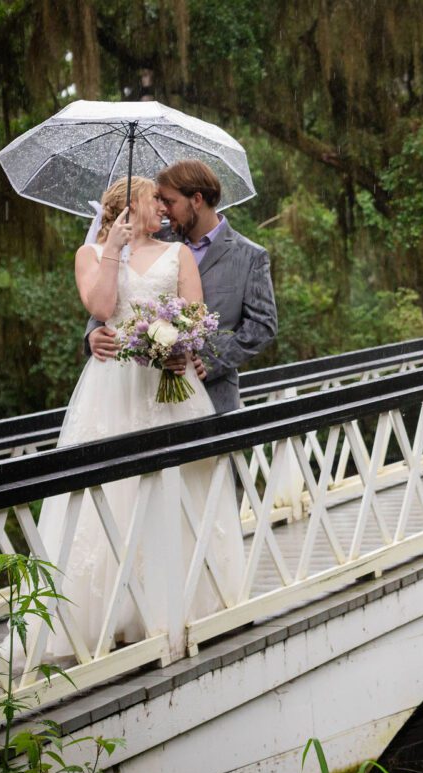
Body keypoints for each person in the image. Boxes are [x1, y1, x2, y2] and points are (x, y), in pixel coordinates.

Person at [32, 177, 244, 661]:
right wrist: (113, 249)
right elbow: (102, 308)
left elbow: (195, 315)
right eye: (155, 201)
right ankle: (107, 615)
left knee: (181, 485)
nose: (165, 210)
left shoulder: (180, 255)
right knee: (113, 494)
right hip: (114, 389)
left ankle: (182, 606)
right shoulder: (89, 255)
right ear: (129, 206)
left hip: (172, 388)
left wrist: (180, 345)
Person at [86, 160, 278, 413]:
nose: (163, 210)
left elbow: (263, 326)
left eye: (170, 201)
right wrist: (93, 332)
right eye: (159, 201)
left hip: (212, 392)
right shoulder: (151, 239)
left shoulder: (249, 256)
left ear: (196, 199)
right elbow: (119, 289)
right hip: (139, 390)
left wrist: (210, 361)